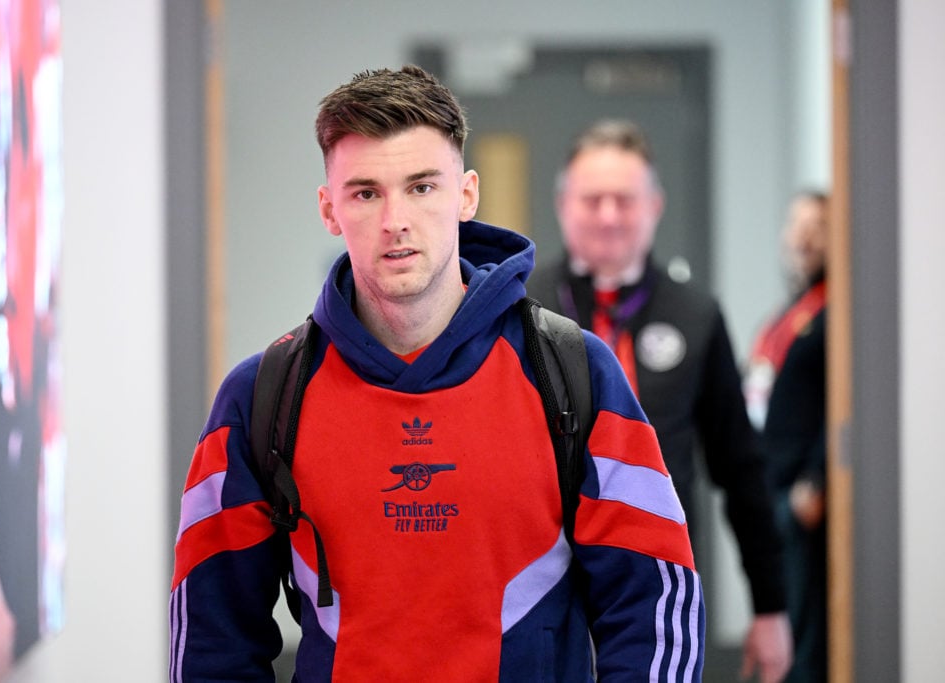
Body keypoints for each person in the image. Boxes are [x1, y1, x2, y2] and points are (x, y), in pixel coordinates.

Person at [169, 66, 704, 682]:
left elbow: (655, 607)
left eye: (422, 187)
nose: (395, 219)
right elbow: (210, 642)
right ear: (329, 209)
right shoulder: (262, 396)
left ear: (467, 195)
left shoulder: (573, 371)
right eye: (366, 193)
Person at [526, 119, 791, 683]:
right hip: (539, 578)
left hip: (658, 578)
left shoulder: (695, 314)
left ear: (655, 205)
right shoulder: (520, 308)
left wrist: (770, 608)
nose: (607, 215)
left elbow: (740, 468)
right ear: (562, 204)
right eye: (591, 199)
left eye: (624, 199)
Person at [743, 191, 828, 683]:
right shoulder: (787, 315)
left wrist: (816, 477)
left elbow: (843, 404)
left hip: (801, 499)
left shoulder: (834, 315)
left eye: (817, 225)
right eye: (796, 224)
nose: (803, 236)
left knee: (804, 640)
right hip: (769, 489)